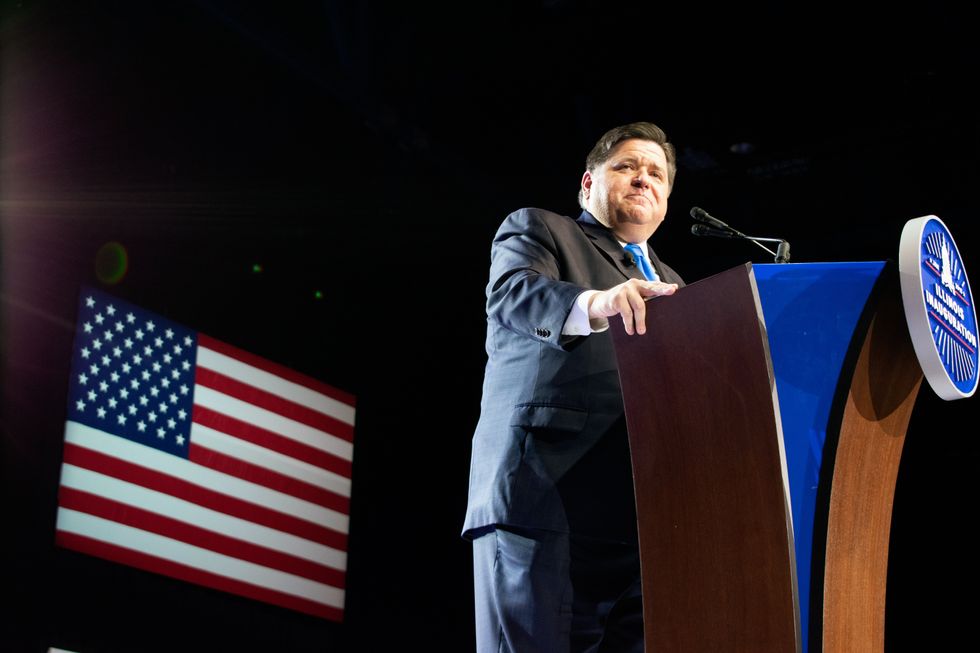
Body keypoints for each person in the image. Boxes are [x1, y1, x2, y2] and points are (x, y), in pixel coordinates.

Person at [462, 121, 685, 653]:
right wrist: (598, 302)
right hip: (543, 496)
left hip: (643, 523)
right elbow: (514, 296)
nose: (642, 179)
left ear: (666, 203)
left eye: (656, 173)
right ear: (589, 185)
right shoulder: (540, 229)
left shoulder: (678, 286)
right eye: (627, 166)